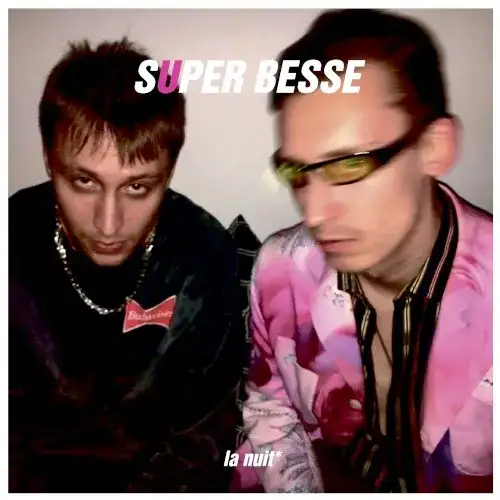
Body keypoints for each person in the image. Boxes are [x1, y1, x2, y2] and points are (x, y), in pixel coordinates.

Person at [236, 8, 492, 493]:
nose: (314, 213)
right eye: (297, 173)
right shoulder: (280, 270)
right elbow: (271, 412)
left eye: (349, 164)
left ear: (434, 147)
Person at [9, 37, 249, 492]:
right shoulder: (11, 242)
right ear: (48, 160)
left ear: (169, 173)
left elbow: (203, 436)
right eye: (84, 181)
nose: (109, 223)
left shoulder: (202, 251)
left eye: (137, 187)